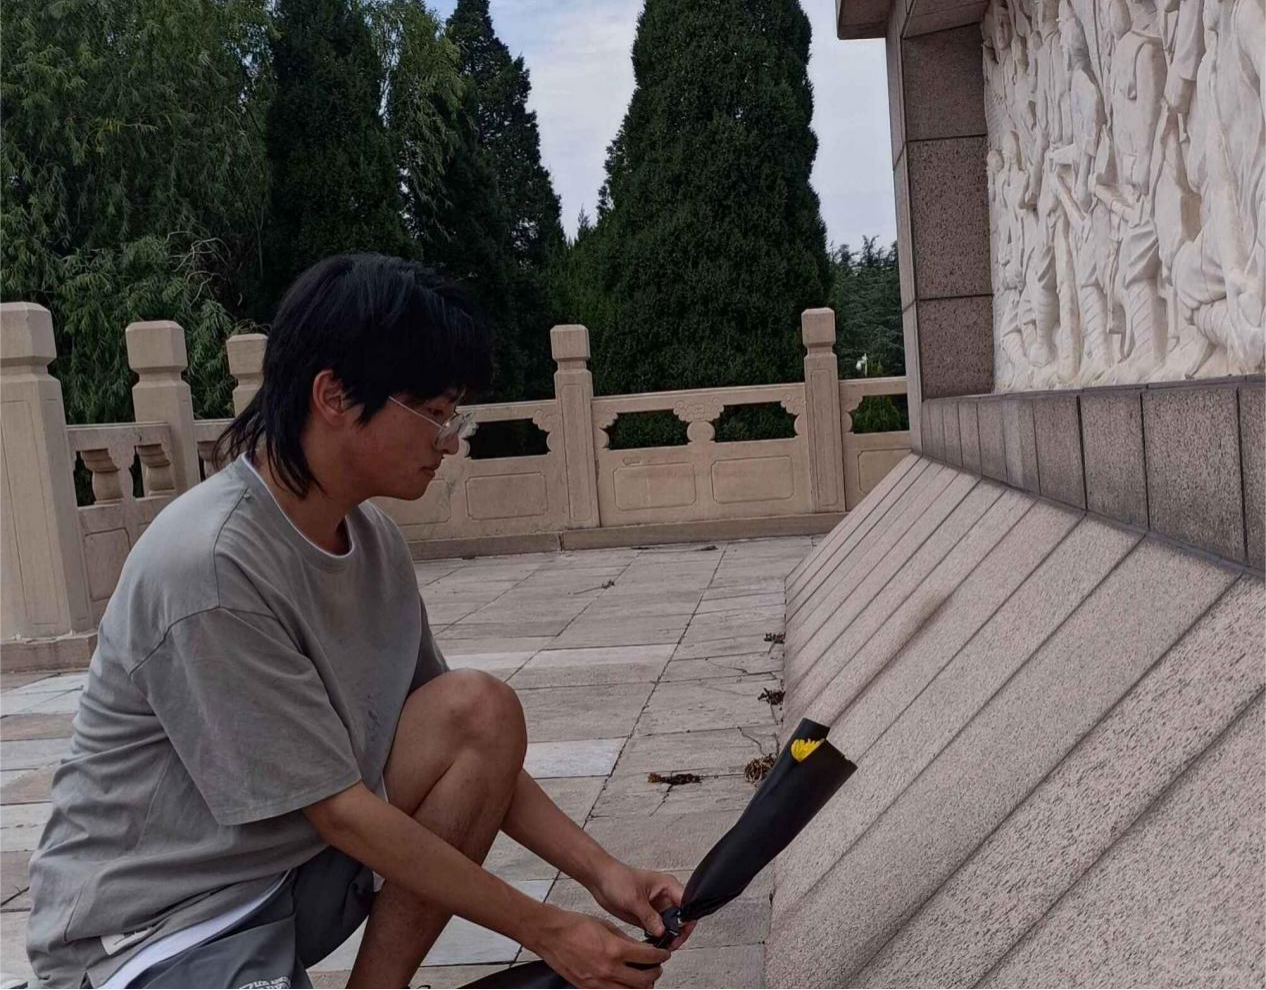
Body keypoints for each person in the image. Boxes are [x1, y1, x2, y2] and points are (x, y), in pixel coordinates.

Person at [27, 254, 689, 989]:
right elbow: (340, 812)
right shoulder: (210, 565)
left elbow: (475, 751)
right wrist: (550, 931)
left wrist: (604, 873)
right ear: (334, 396)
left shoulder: (373, 543)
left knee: (479, 711)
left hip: (287, 876)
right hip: (157, 924)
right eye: (433, 413)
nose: (450, 440)